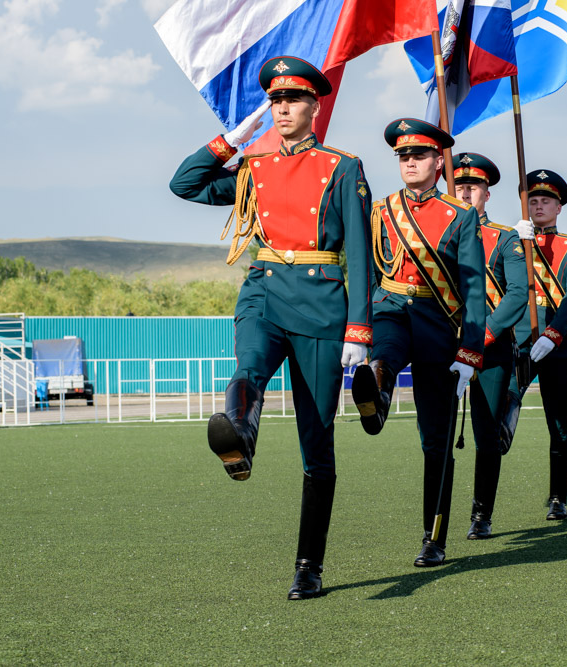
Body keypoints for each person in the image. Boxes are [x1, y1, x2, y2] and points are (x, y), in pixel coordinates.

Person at [168, 56, 374, 600]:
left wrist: (359, 329)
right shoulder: (254, 167)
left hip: (322, 304)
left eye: (293, 100)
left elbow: (359, 252)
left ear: (314, 107)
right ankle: (239, 435)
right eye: (275, 101)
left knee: (316, 440)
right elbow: (184, 184)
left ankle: (309, 565)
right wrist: (230, 140)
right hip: (263, 289)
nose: (283, 109)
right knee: (250, 366)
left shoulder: (342, 168)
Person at [350, 119, 486, 567]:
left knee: (436, 439)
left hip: (438, 322)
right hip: (390, 306)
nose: (410, 163)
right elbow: (368, 269)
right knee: (385, 353)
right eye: (403, 157)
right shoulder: (381, 210)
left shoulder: (460, 215)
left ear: (438, 162)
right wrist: (358, 326)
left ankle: (434, 537)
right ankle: (377, 393)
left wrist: (469, 351)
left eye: (419, 156)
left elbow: (473, 288)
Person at [447, 153, 527, 539]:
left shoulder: (504, 237)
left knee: (486, 435)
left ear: (486, 194)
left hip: (490, 348)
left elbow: (518, 294)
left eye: (473, 187)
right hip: (445, 343)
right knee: (438, 433)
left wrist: (483, 335)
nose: (465, 192)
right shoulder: (439, 232)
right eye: (459, 186)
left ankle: (482, 514)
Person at [509, 170, 567, 520]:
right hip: (519, 339)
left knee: (559, 424)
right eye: (533, 201)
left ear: (559, 208)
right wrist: (514, 240)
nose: (538, 206)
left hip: (558, 344)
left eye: (546, 201)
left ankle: (558, 497)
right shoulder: (512, 241)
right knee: (502, 407)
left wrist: (553, 334)